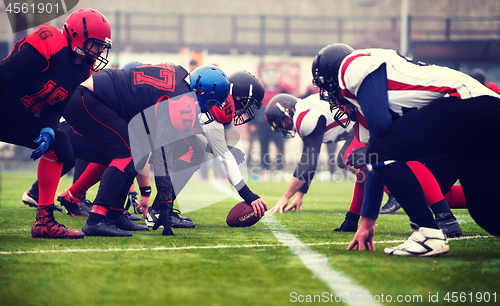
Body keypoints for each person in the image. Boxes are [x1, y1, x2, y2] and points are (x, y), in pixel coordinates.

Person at [312, 43, 500, 256]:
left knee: (380, 150)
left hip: (465, 102)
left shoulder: (354, 65)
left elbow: (381, 133)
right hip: (481, 114)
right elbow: (377, 163)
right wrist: (367, 222)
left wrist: (374, 150)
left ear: (332, 77)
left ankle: (428, 233)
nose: (332, 98)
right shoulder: (367, 112)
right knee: (487, 213)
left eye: (327, 86)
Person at [62, 63, 230, 237]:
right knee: (126, 154)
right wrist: (166, 204)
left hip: (90, 96)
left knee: (137, 151)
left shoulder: (179, 75)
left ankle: (114, 213)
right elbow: (162, 156)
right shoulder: (179, 99)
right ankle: (96, 219)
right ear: (202, 91)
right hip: (87, 98)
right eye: (210, 103)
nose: (208, 108)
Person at [0, 8, 112, 239]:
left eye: (103, 46)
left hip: (14, 118)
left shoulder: (81, 69)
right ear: (78, 36)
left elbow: (56, 102)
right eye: (96, 43)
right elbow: (4, 74)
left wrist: (48, 128)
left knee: (59, 144)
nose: (100, 50)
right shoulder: (50, 43)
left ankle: (44, 221)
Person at [146, 70, 269, 232]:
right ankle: (156, 211)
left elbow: (205, 137)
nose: (246, 110)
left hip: (150, 112)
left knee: (194, 150)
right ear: (238, 97)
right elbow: (224, 158)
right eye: (248, 103)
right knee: (193, 153)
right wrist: (248, 195)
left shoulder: (208, 90)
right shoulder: (220, 104)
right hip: (153, 119)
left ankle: (120, 209)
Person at [264, 93, 353, 215]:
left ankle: (384, 191)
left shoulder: (304, 117)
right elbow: (310, 162)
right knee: (346, 159)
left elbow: (308, 162)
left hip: (361, 125)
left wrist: (286, 196)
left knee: (348, 159)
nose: (284, 127)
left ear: (289, 110)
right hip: (357, 128)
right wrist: (300, 194)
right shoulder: (305, 108)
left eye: (282, 122)